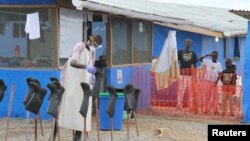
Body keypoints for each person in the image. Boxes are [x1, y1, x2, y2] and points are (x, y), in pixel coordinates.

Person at [58, 35, 102, 141]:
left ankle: (78, 136)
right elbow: (73, 62)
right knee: (66, 104)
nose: (94, 48)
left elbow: (92, 65)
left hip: (84, 82)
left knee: (83, 108)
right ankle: (55, 132)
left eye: (97, 47)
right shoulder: (79, 46)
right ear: (90, 42)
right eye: (94, 45)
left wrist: (92, 77)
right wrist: (86, 67)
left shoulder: (93, 52)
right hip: (72, 79)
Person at [177, 38, 198, 111]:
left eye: (189, 42)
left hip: (190, 75)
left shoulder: (193, 53)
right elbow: (175, 60)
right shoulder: (180, 52)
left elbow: (194, 65)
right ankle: (179, 105)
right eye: (187, 42)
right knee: (181, 90)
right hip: (182, 74)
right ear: (185, 43)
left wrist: (194, 75)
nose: (188, 43)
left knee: (190, 91)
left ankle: (191, 105)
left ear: (191, 44)